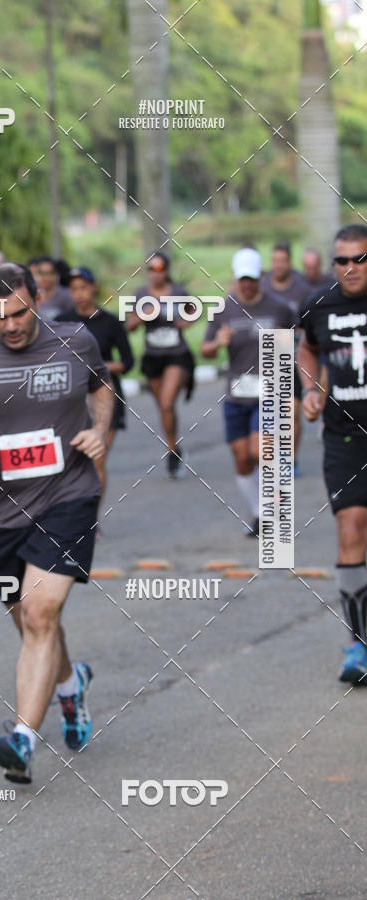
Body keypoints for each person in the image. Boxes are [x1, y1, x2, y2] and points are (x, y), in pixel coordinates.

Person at [0, 262, 114, 783]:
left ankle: (22, 740)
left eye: (18, 313)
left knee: (40, 615)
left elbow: (102, 388)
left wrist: (98, 430)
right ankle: (70, 686)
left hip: (69, 495)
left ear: (37, 298)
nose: (10, 326)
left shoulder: (76, 340)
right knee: (31, 624)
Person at [298, 223, 367, 682]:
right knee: (351, 528)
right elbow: (306, 349)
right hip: (344, 437)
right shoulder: (320, 306)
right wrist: (311, 388)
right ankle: (358, 645)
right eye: (341, 260)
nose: (350, 268)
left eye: (359, 259)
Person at [202, 248, 296, 536]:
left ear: (261, 276)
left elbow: (300, 342)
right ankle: (259, 514)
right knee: (242, 458)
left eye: (252, 279)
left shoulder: (278, 308)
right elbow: (204, 351)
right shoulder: (223, 310)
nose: (247, 284)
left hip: (269, 394)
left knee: (260, 451)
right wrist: (218, 342)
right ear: (235, 278)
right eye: (242, 279)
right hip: (236, 396)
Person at [57, 266, 133, 501]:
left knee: (96, 459)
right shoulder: (61, 322)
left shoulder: (109, 322)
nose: (79, 293)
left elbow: (128, 362)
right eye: (73, 288)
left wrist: (96, 366)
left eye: (83, 287)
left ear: (93, 287)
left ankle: (92, 521)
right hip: (72, 401)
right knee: (72, 464)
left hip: (106, 397)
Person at [127, 251, 195, 478]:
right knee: (164, 408)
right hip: (153, 357)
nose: (155, 274)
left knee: (166, 402)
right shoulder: (141, 294)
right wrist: (142, 315)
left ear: (166, 271)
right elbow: (130, 325)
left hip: (177, 354)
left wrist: (186, 321)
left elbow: (193, 311)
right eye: (150, 269)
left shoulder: (177, 292)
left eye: (159, 269)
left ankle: (172, 451)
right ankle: (174, 447)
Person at [262, 241, 312, 462]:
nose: (278, 266)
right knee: (270, 415)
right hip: (265, 360)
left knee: (292, 412)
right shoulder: (262, 287)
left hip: (294, 360)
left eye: (282, 261)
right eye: (274, 261)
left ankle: (290, 459)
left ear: (289, 263)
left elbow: (311, 325)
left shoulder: (303, 290)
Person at [31, 256, 74, 321]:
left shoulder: (66, 295)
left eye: (49, 273)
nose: (44, 277)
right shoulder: (32, 295)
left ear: (56, 274)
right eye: (41, 273)